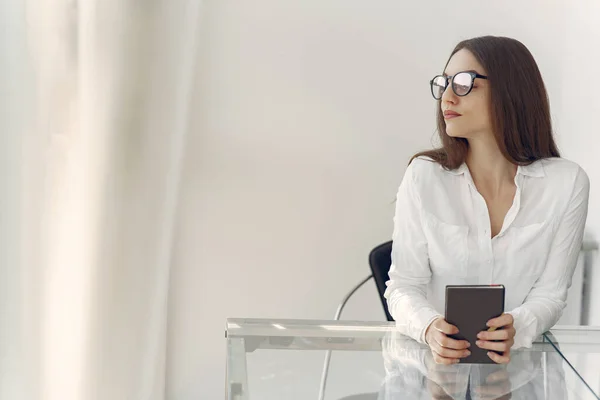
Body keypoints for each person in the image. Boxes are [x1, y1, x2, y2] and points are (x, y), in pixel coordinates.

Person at [383, 36, 590, 365]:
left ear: (511, 91)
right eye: (444, 83)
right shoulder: (424, 176)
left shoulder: (566, 182)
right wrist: (429, 328)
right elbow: (403, 286)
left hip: (523, 371)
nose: (447, 97)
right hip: (434, 373)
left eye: (464, 83)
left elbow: (551, 294)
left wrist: (518, 326)